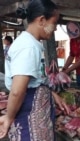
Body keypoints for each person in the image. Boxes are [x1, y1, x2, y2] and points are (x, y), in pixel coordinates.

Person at [0, 0, 70, 140]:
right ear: (42, 20)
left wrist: (52, 95)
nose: (55, 28)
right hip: (29, 112)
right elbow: (17, 91)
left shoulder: (31, 43)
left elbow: (34, 80)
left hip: (34, 111)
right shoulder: (28, 47)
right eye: (54, 23)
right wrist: (9, 117)